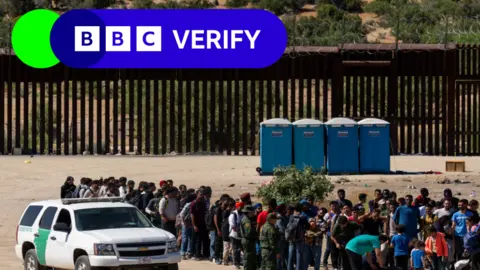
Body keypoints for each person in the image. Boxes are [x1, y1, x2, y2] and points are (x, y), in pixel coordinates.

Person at [287, 203, 309, 270]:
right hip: (300, 239)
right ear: (301, 209)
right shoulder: (303, 217)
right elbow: (308, 227)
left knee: (290, 255)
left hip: (291, 238)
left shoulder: (291, 216)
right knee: (299, 255)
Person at [191, 188, 209, 260]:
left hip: (203, 224)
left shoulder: (203, 202)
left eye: (202, 194)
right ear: (197, 194)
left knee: (205, 239)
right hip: (197, 224)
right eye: (200, 194)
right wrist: (194, 225)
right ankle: (197, 254)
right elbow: (192, 215)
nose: (201, 196)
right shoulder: (194, 203)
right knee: (198, 240)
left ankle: (205, 254)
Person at [240, 205, 258, 270]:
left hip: (250, 240)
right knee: (248, 258)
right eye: (252, 212)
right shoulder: (246, 221)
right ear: (248, 212)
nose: (253, 213)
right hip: (248, 241)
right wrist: (256, 233)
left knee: (252, 257)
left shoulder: (248, 219)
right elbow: (248, 233)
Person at [230, 202, 244, 269]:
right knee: (235, 249)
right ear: (237, 207)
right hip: (234, 235)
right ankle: (235, 263)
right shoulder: (233, 214)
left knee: (240, 250)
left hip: (241, 235)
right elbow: (232, 225)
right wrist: (237, 231)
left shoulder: (242, 214)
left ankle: (239, 262)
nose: (241, 208)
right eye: (240, 207)